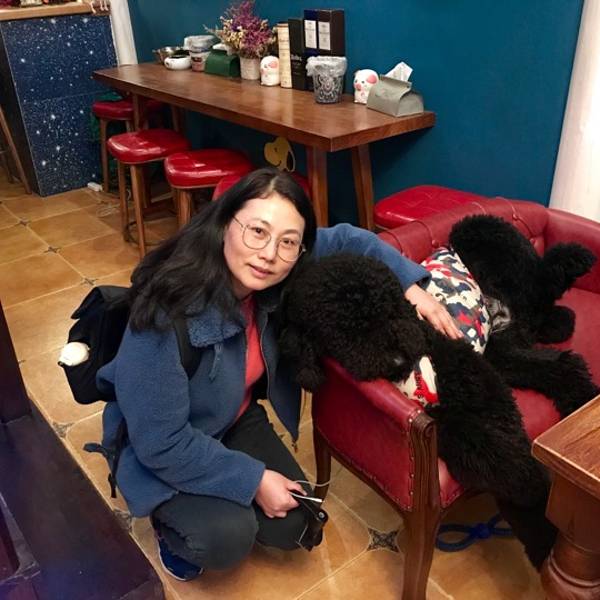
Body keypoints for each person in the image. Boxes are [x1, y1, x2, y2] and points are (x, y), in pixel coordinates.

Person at [96, 167, 461, 581]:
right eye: (257, 231)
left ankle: (223, 495)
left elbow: (348, 239)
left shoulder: (281, 267)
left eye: (287, 241)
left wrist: (411, 288)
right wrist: (253, 480)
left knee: (297, 523)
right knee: (227, 537)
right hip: (165, 442)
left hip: (232, 418)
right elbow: (161, 443)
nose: (269, 253)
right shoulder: (164, 312)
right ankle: (170, 527)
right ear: (225, 223)